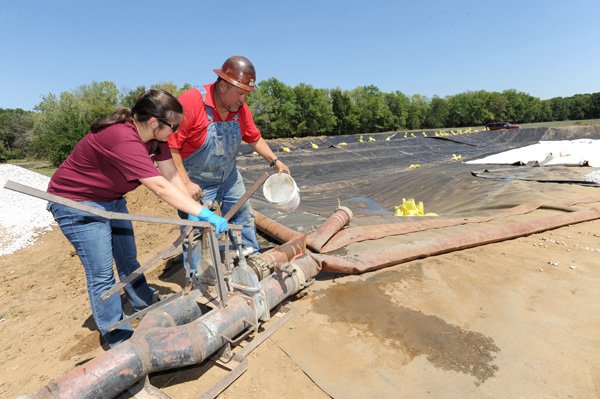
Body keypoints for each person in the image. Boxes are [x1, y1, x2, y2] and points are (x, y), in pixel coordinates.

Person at [46, 89, 228, 348]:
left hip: (111, 199)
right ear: (154, 122)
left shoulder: (157, 140)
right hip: (76, 203)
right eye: (173, 126)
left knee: (128, 258)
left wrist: (193, 206)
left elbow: (171, 176)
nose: (175, 132)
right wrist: (203, 213)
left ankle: (143, 302)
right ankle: (117, 337)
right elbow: (159, 187)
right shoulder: (122, 137)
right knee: (102, 274)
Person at [168, 55, 290, 273]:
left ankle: (253, 264)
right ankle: (196, 278)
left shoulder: (240, 109)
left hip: (228, 177)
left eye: (247, 94)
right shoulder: (192, 102)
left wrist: (275, 160)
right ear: (223, 85)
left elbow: (254, 137)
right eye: (240, 93)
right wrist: (185, 184)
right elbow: (171, 147)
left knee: (243, 216)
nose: (243, 100)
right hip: (196, 181)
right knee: (195, 230)